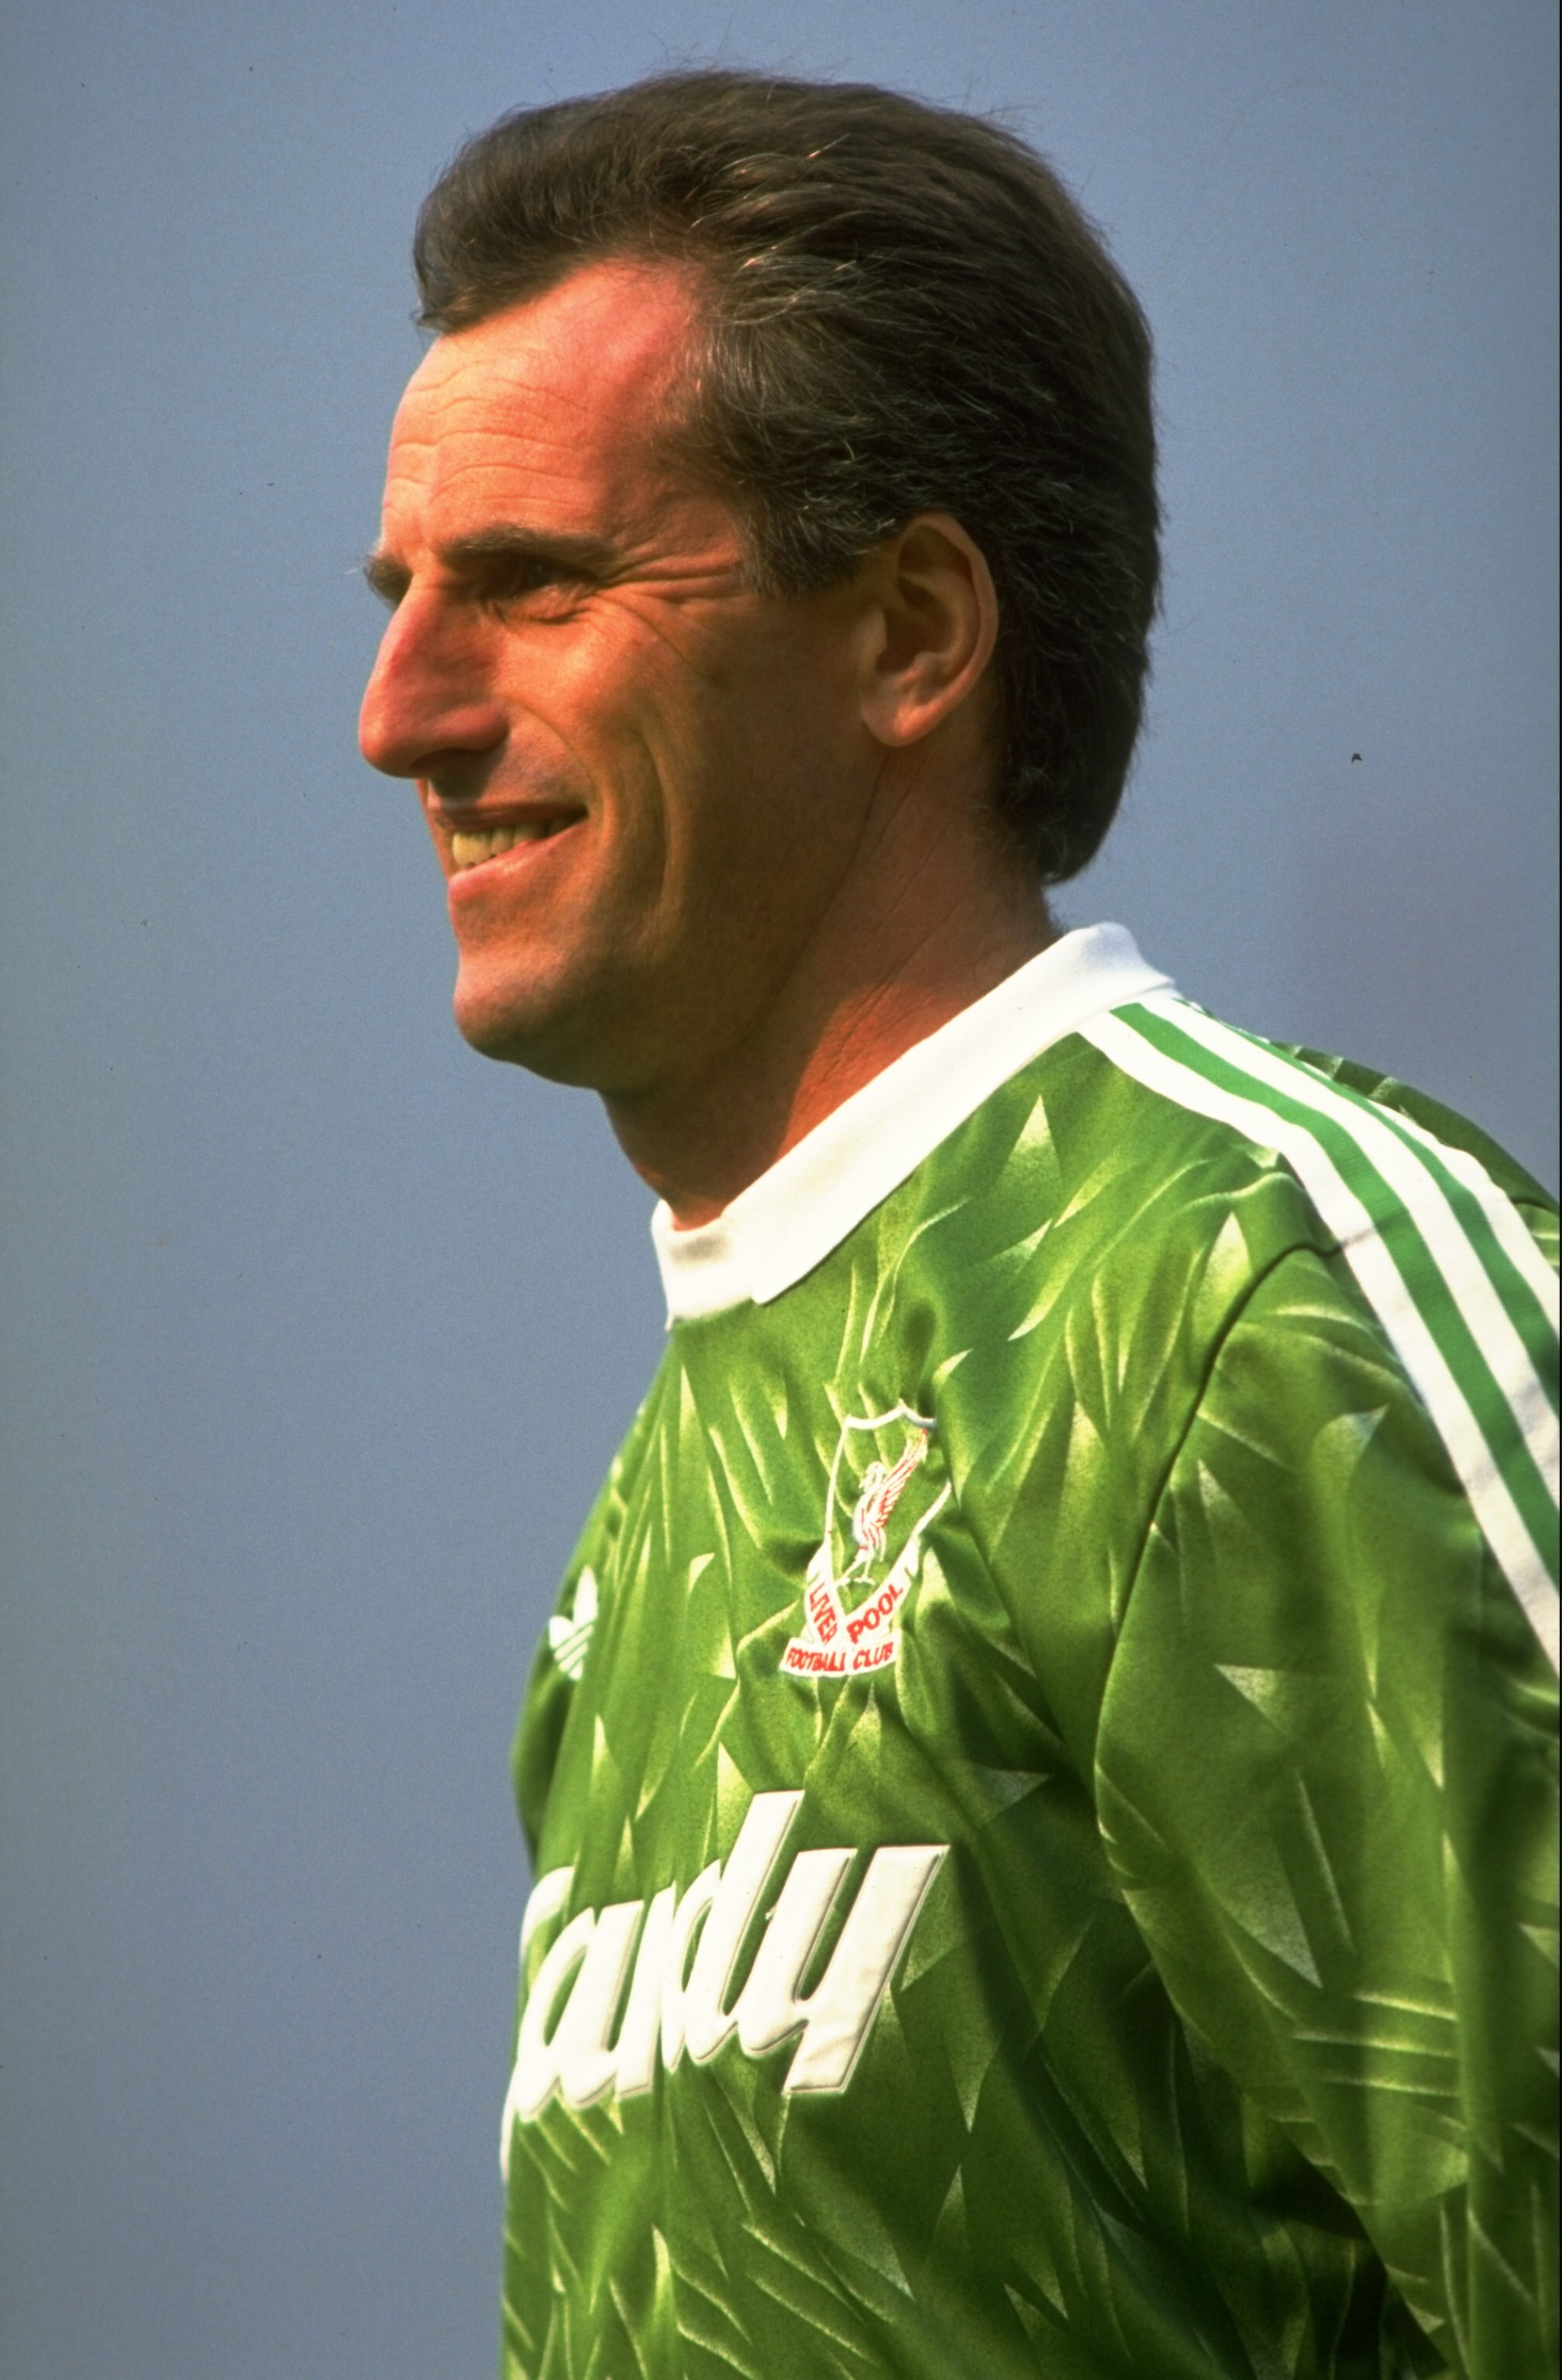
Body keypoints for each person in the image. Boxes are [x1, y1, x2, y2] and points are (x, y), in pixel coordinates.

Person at [357, 71, 1558, 2380]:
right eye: (405, 594)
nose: (396, 713)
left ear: (910, 630)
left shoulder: (1239, 1290)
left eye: (530, 583)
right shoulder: (649, 1532)